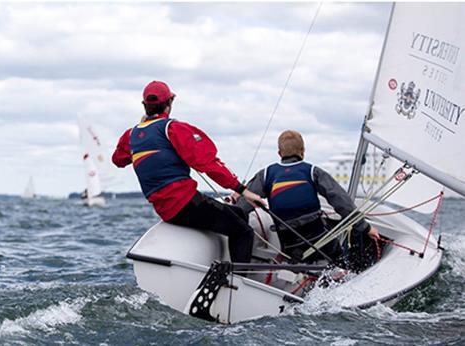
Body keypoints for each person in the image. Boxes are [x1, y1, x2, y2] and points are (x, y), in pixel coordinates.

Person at [112, 80, 265, 263]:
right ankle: (239, 284)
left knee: (238, 214)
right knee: (243, 232)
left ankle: (229, 266)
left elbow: (118, 160)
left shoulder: (130, 136)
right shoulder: (173, 129)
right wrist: (243, 191)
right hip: (185, 204)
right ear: (169, 103)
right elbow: (209, 164)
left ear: (145, 106)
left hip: (165, 209)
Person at [237, 130, 380, 267]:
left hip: (289, 246)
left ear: (279, 153)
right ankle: (342, 271)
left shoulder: (266, 175)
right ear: (303, 152)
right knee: (344, 239)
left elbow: (242, 207)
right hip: (320, 242)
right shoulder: (313, 172)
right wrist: (365, 227)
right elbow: (341, 201)